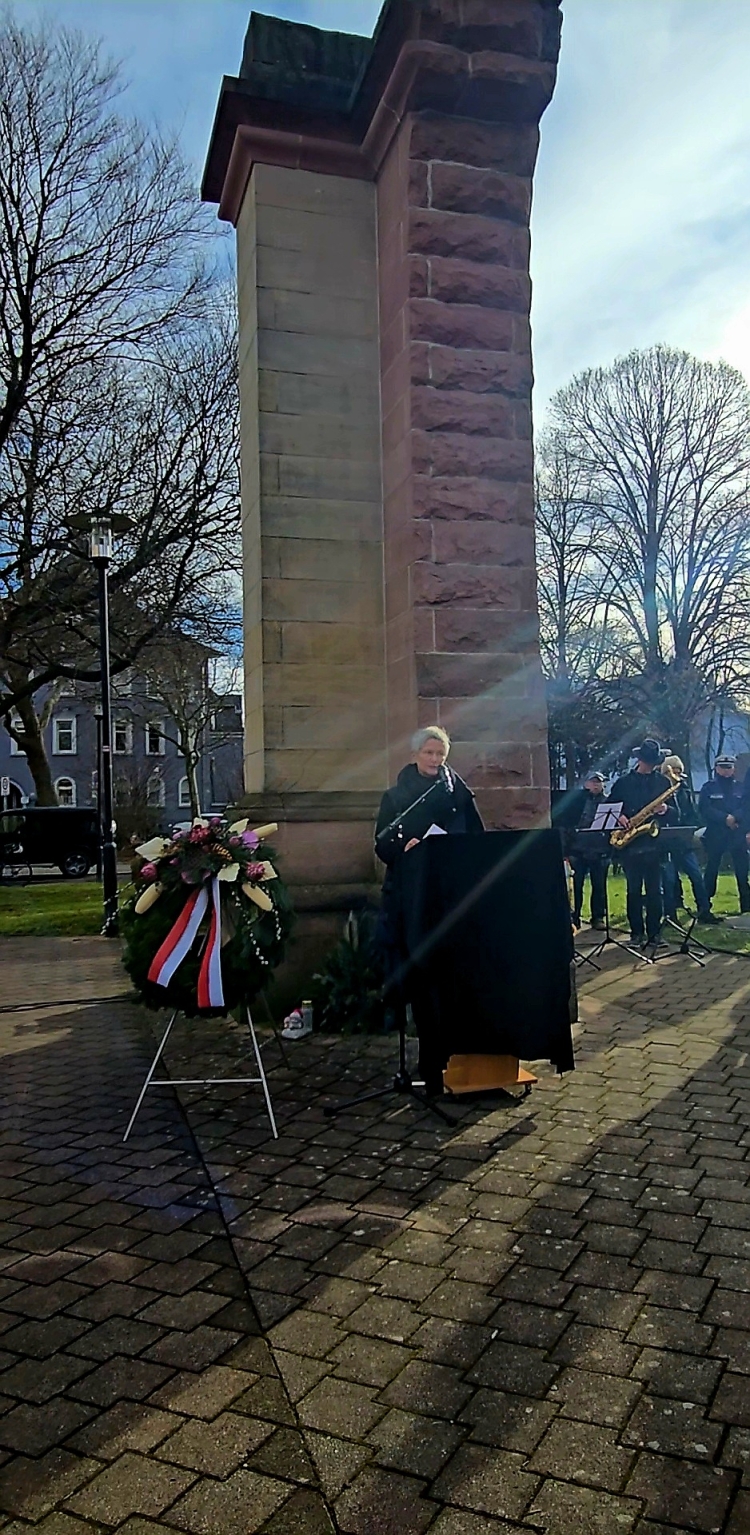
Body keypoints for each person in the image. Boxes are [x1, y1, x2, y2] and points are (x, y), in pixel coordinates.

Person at [374, 726, 484, 1094]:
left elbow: (476, 839)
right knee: (422, 977)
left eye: (441, 754)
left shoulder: (459, 794)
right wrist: (406, 846)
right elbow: (382, 845)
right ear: (416, 754)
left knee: (451, 978)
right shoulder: (396, 796)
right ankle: (429, 1064)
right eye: (429, 753)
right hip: (412, 897)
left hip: (449, 895)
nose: (435, 760)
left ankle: (456, 1062)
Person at [610, 739, 676, 947]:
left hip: (655, 845)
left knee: (656, 892)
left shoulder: (663, 783)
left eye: (653, 762)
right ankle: (636, 933)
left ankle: (655, 934)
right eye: (648, 762)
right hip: (632, 844)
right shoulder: (623, 783)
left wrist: (666, 810)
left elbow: (678, 814)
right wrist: (619, 817)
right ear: (640, 760)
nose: (651, 766)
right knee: (634, 891)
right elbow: (608, 807)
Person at [660, 755, 721, 926]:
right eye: (673, 772)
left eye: (679, 772)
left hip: (683, 842)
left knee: (696, 875)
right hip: (665, 843)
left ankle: (704, 911)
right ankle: (670, 915)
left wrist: (689, 826)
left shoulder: (684, 790)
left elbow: (693, 814)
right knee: (669, 880)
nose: (676, 775)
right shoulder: (659, 790)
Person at [698, 754, 750, 914]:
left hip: (736, 834)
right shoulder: (709, 787)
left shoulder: (740, 787)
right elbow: (704, 809)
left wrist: (735, 817)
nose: (726, 771)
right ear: (717, 768)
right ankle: (705, 907)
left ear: (734, 769)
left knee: (742, 872)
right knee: (711, 870)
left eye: (729, 767)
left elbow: (746, 806)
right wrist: (724, 818)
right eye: (723, 767)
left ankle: (746, 907)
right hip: (716, 834)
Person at [566, 771, 608, 930]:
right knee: (576, 886)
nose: (596, 784)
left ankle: (598, 917)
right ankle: (573, 917)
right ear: (586, 783)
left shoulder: (608, 801)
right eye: (593, 781)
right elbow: (567, 826)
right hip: (578, 849)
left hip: (599, 849)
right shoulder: (577, 802)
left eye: (599, 782)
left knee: (599, 886)